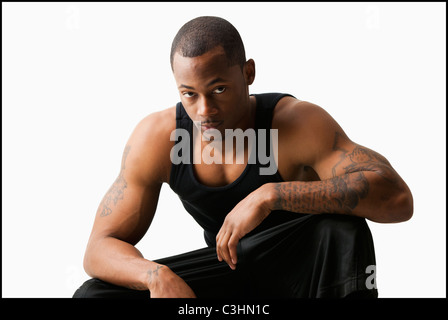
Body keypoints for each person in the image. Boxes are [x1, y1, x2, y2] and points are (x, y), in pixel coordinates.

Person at [73, 16, 413, 298]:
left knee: (340, 228)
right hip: (231, 270)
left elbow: (397, 197)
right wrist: (154, 276)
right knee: (95, 293)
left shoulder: (296, 123)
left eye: (218, 89)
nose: (204, 110)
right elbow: (99, 248)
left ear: (248, 73)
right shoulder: (159, 138)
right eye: (189, 94)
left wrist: (271, 196)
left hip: (307, 278)